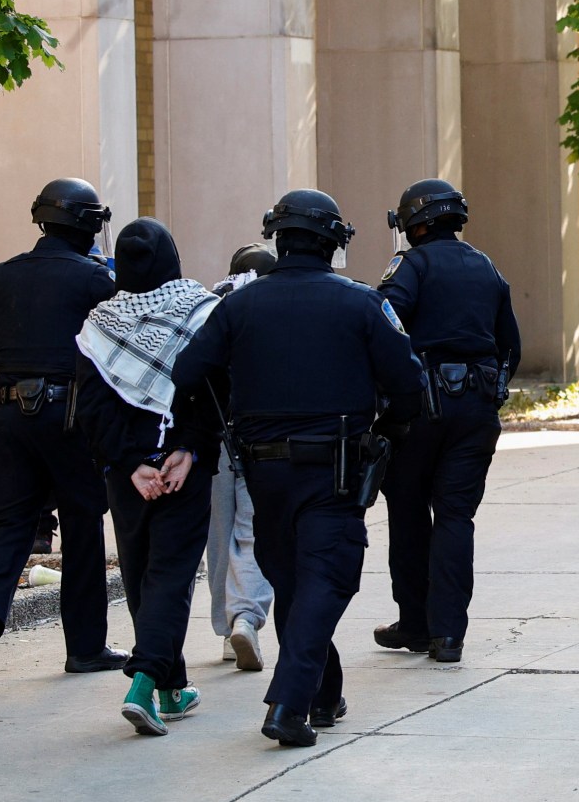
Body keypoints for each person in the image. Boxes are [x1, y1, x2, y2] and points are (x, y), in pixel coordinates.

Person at [171, 189, 429, 748]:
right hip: (333, 470)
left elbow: (189, 373)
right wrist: (384, 432)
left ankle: (322, 692)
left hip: (262, 475)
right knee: (325, 579)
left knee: (293, 583)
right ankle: (288, 704)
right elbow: (412, 386)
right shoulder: (362, 303)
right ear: (334, 240)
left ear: (276, 237)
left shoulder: (236, 306)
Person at [0, 177, 124, 683]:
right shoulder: (96, 281)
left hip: (9, 416)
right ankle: (84, 646)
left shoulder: (1, 275)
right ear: (90, 224)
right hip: (70, 416)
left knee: (8, 526)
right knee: (81, 525)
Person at [74, 218, 224, 736]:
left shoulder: (101, 326)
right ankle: (143, 680)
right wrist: (189, 449)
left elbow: (91, 407)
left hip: (128, 476)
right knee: (172, 576)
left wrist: (128, 463)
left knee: (141, 575)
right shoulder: (201, 311)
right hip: (183, 468)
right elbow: (213, 390)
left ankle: (170, 687)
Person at [370, 179, 521, 664]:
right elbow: (510, 344)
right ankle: (449, 634)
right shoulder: (487, 266)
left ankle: (415, 623)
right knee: (456, 518)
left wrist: (392, 387)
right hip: (476, 409)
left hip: (421, 408)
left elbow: (386, 321)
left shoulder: (411, 265)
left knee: (410, 513)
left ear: (413, 223)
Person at [208, 243, 278, 672]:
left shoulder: (213, 311)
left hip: (215, 438)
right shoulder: (275, 314)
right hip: (261, 438)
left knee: (218, 539)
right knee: (252, 534)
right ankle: (246, 616)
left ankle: (227, 633)